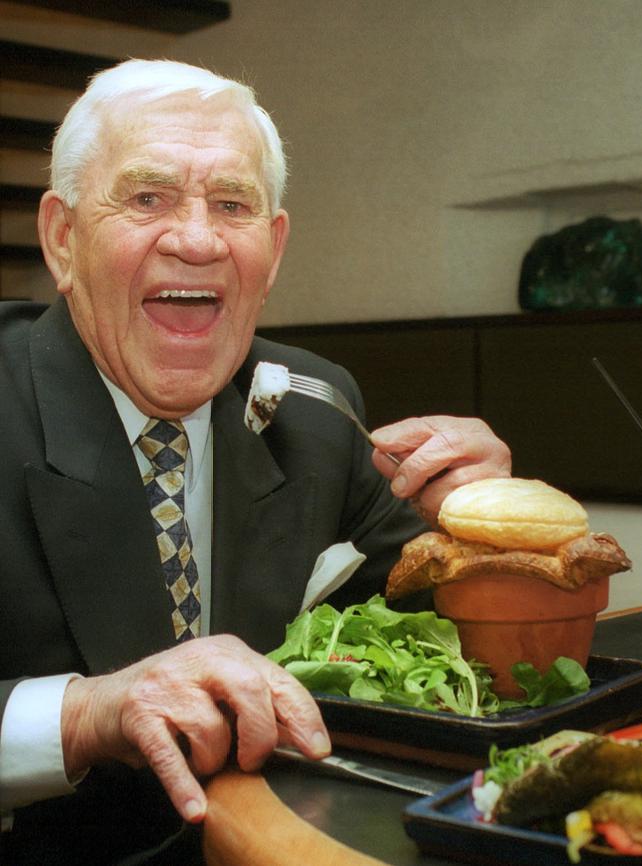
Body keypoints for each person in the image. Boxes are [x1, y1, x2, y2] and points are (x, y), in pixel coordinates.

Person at [0, 59, 511, 865]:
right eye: (147, 198)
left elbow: (437, 650)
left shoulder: (315, 407)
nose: (197, 238)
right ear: (63, 239)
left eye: (232, 205)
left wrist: (488, 539)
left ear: (270, 252)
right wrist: (88, 714)